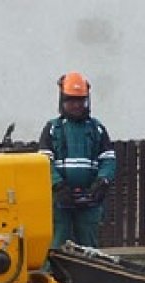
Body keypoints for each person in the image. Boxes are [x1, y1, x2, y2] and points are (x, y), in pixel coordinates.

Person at [38, 71, 116, 249]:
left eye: (80, 101)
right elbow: (44, 161)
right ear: (62, 101)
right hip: (60, 199)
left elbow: (108, 159)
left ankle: (88, 277)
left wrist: (102, 181)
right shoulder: (52, 129)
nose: (76, 105)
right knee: (57, 245)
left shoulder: (97, 129)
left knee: (89, 248)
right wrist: (58, 185)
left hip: (89, 199)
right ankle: (54, 276)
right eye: (71, 100)